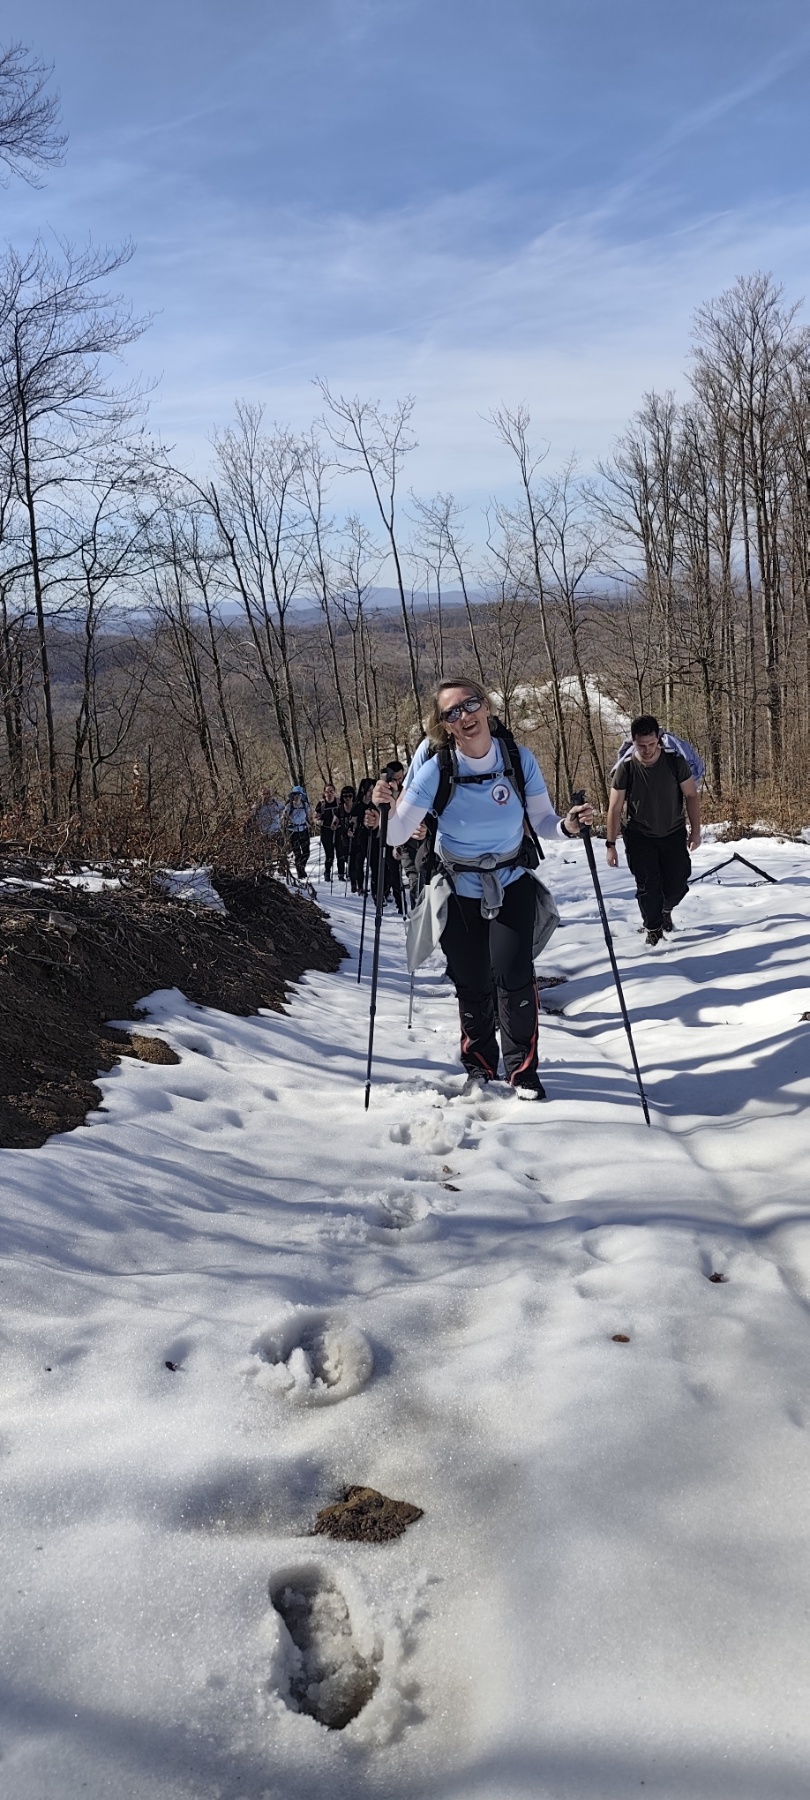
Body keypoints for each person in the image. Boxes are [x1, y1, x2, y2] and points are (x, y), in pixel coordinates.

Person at [373, 677, 592, 1100]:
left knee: (514, 975)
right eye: (452, 713)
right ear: (444, 724)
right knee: (472, 981)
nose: (465, 716)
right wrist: (387, 806)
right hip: (458, 887)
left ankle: (522, 1072)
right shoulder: (437, 769)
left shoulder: (518, 759)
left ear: (486, 706)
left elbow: (543, 821)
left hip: (512, 881)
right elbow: (396, 834)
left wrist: (567, 825)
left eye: (470, 704)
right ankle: (480, 1066)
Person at [604, 714, 701, 945]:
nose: (647, 749)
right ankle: (653, 929)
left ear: (658, 739)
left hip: (673, 832)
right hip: (639, 835)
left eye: (651, 744)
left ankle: (665, 909)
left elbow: (691, 795)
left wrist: (696, 831)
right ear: (633, 741)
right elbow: (615, 808)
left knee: (678, 884)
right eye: (641, 745)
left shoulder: (674, 762)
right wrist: (611, 844)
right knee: (648, 886)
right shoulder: (627, 768)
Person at [349, 779, 375, 893]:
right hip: (360, 838)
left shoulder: (375, 805)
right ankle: (360, 886)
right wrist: (351, 829)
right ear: (363, 790)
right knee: (359, 863)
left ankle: (377, 889)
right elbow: (353, 822)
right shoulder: (358, 806)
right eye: (369, 790)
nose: (371, 793)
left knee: (374, 864)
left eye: (373, 790)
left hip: (373, 838)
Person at [284, 785, 313, 881]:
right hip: (293, 832)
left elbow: (309, 817)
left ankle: (301, 868)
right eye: (295, 795)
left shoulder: (305, 805)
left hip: (304, 830)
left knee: (306, 853)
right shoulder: (289, 806)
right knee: (297, 854)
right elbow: (284, 818)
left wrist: (312, 823)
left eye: (299, 795)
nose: (297, 797)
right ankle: (301, 874)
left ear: (302, 796)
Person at [251, 789, 284, 867]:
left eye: (267, 794)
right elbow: (252, 817)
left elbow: (285, 809)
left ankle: (282, 865)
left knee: (281, 849)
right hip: (264, 832)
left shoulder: (276, 804)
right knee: (266, 852)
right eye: (263, 794)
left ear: (270, 794)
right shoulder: (258, 806)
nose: (265, 796)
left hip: (276, 830)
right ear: (260, 795)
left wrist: (282, 817)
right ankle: (268, 867)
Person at [314, 783, 339, 882]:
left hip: (339, 831)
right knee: (329, 855)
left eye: (331, 791)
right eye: (327, 792)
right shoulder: (321, 804)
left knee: (341, 853)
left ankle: (342, 874)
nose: (329, 793)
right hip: (326, 832)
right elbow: (314, 817)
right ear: (324, 793)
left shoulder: (338, 802)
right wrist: (318, 822)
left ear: (334, 792)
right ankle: (327, 873)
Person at [334, 786, 356, 884]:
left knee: (353, 856)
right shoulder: (340, 809)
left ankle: (352, 874)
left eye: (350, 796)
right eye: (345, 796)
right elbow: (335, 821)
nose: (347, 798)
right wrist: (334, 825)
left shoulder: (356, 807)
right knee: (341, 856)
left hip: (354, 836)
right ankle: (341, 875)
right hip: (342, 836)